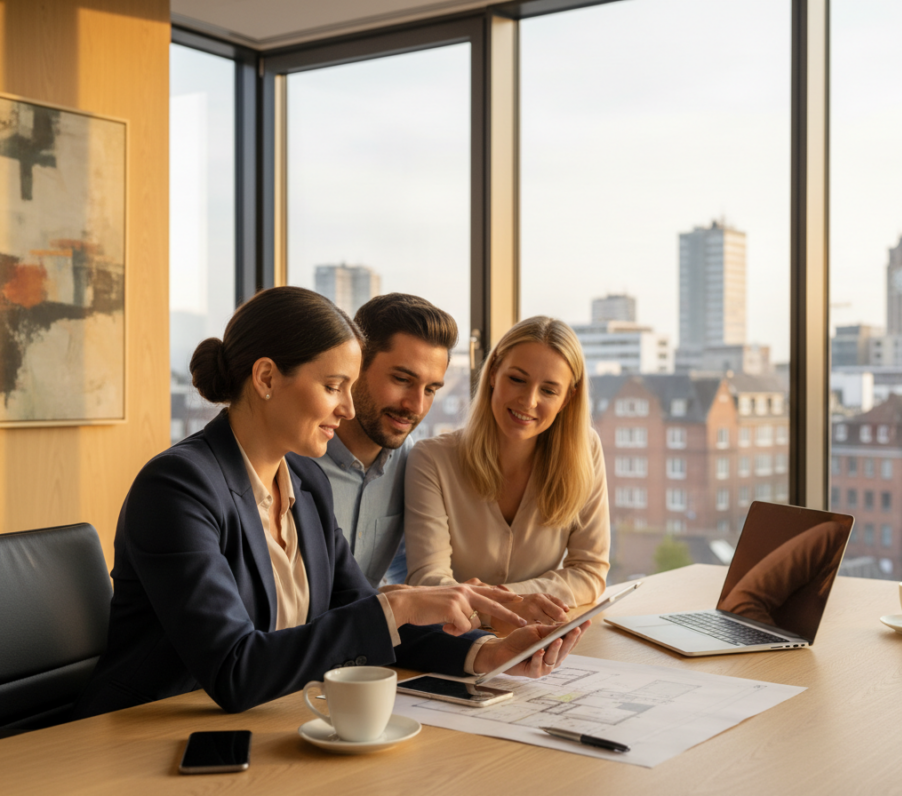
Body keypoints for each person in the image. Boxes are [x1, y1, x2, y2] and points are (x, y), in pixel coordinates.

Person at [73, 288, 585, 719]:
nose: (345, 407)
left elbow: (364, 615)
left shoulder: (304, 483)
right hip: (146, 731)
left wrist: (487, 652)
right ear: (267, 378)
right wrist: (399, 603)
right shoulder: (178, 488)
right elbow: (235, 669)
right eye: (333, 386)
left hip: (269, 721)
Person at [404, 316, 611, 626]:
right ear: (494, 373)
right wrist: (516, 605)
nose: (528, 401)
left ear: (568, 398)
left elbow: (590, 572)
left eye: (549, 391)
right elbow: (427, 581)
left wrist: (503, 600)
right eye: (517, 379)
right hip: (456, 645)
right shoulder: (431, 460)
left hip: (542, 643)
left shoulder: (586, 451)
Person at [314, 293, 456, 589]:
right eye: (402, 379)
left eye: (430, 389)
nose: (416, 406)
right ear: (357, 364)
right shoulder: (292, 455)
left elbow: (409, 570)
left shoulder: (415, 465)